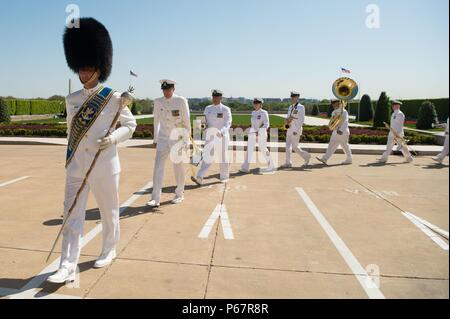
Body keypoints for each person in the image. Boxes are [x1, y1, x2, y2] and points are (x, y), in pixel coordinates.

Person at [47, 18, 137, 283]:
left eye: (88, 69)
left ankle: (108, 249)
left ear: (99, 68)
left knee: (109, 211)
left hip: (105, 165)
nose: (83, 74)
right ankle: (66, 264)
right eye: (80, 70)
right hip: (77, 165)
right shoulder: (71, 99)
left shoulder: (113, 97)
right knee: (72, 214)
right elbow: (69, 132)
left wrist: (114, 138)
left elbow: (130, 125)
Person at [147, 80, 191, 208]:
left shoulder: (181, 101)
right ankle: (155, 198)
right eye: (164, 90)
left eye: (168, 90)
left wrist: (186, 140)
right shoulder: (158, 101)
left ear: (173, 89)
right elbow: (156, 121)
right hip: (163, 138)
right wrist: (155, 139)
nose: (166, 92)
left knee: (178, 166)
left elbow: (187, 121)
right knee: (158, 167)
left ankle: (179, 194)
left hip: (177, 138)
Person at [192, 90, 232, 186]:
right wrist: (201, 127)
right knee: (207, 157)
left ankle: (224, 176)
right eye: (213, 97)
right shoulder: (208, 108)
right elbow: (204, 121)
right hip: (210, 137)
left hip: (222, 137)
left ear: (220, 98)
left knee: (222, 157)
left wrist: (221, 131)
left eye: (217, 97)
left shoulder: (225, 109)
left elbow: (228, 123)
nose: (215, 99)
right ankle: (200, 176)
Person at [240, 98, 275, 174]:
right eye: (254, 103)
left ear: (261, 104)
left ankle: (271, 165)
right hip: (252, 133)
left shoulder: (264, 112)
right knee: (249, 149)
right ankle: (245, 167)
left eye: (257, 103)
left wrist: (259, 131)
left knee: (263, 149)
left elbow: (266, 124)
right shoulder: (253, 112)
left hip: (261, 133)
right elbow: (253, 124)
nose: (255, 105)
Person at [280, 91, 311, 168]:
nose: (293, 98)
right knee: (287, 147)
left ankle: (306, 156)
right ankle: (288, 162)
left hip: (296, 130)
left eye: (294, 97)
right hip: (289, 129)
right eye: (292, 97)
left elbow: (301, 120)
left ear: (298, 98)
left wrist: (296, 130)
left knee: (295, 147)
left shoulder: (301, 107)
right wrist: (286, 121)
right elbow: (288, 117)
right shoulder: (290, 107)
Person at [317, 99, 353, 165]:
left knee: (344, 145)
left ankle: (349, 159)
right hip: (336, 131)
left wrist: (341, 130)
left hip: (342, 131)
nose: (333, 105)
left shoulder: (344, 111)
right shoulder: (334, 112)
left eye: (335, 103)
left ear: (339, 103)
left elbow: (345, 121)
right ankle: (325, 159)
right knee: (333, 145)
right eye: (333, 104)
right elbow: (332, 121)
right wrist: (331, 126)